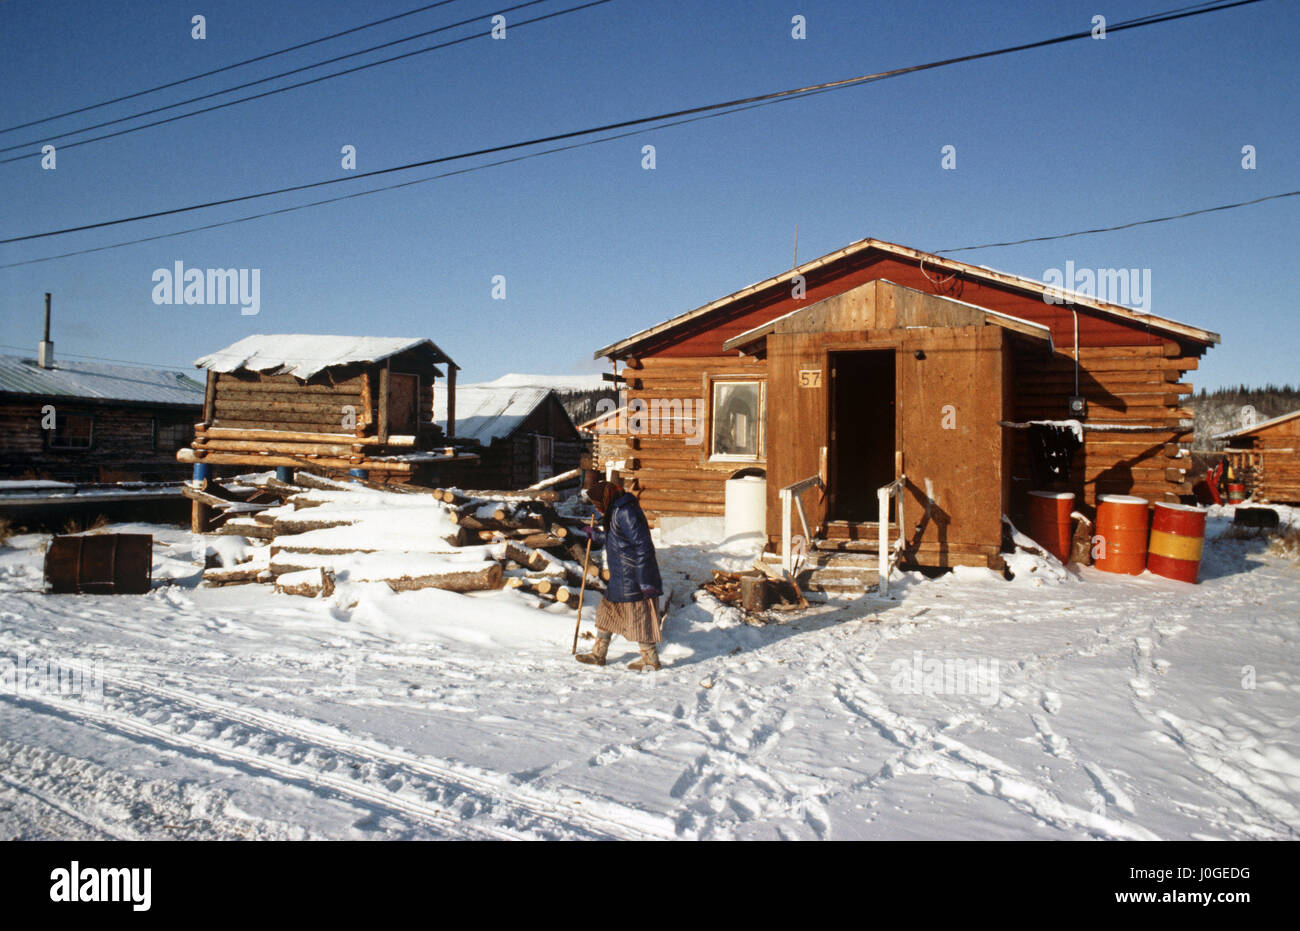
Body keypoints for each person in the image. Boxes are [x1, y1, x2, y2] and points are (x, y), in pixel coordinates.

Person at [574, 477, 665, 671]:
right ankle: (598, 654)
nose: (597, 509)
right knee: (605, 614)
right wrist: (595, 534)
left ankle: (650, 660)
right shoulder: (616, 509)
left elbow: (643, 546)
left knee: (638, 619)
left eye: (598, 505)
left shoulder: (626, 511)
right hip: (620, 575)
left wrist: (644, 579)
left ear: (605, 499)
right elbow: (616, 538)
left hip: (632, 576)